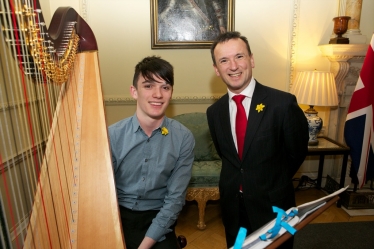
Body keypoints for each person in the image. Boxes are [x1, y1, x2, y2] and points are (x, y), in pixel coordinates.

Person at [206, 31, 309, 248]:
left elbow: (296, 152)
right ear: (217, 69)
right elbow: (229, 159)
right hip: (234, 209)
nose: (233, 66)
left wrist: (267, 182)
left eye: (239, 56)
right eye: (224, 60)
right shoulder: (214, 112)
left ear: (251, 59)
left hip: (273, 207)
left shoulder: (282, 104)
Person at [108, 56, 195, 249]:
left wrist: (144, 246)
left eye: (165, 87)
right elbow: (102, 193)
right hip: (118, 217)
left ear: (171, 93)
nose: (158, 94)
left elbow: (174, 200)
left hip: (160, 217)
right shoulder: (112, 135)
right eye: (148, 86)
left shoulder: (183, 138)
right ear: (134, 92)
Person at [158, 0, 226, 41]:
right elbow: (164, 14)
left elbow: (217, 6)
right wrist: (172, 26)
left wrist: (221, 25)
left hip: (208, 31)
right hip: (189, 31)